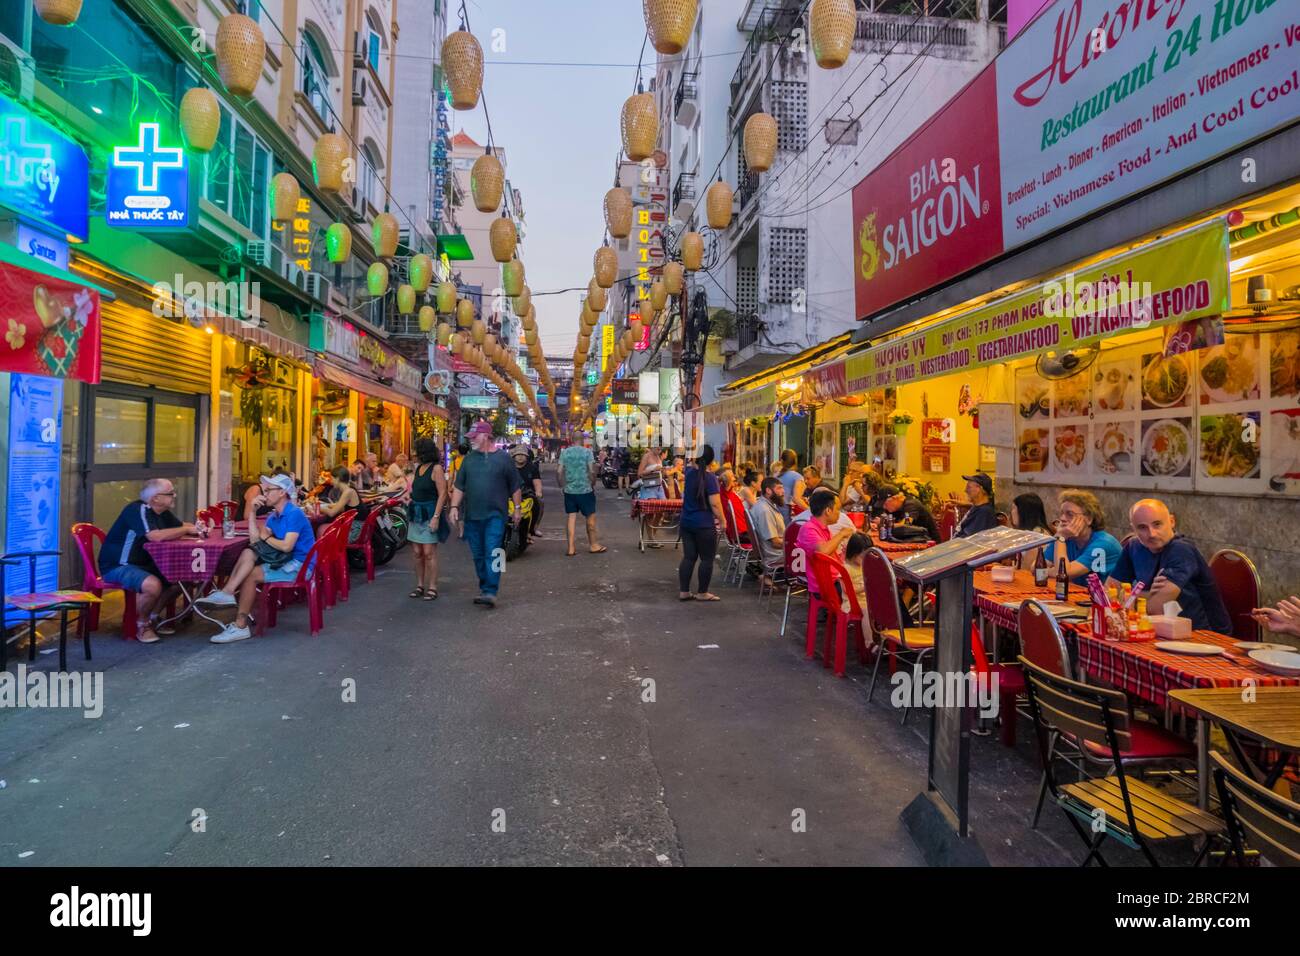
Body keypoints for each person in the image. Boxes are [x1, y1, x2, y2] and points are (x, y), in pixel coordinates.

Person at [200, 474, 316, 644]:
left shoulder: (294, 513)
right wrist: (253, 513)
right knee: (249, 552)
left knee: (251, 575)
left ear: (282, 492)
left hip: (300, 566)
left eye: (269, 490)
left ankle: (240, 625)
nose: (265, 494)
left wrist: (267, 537)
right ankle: (228, 593)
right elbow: (255, 540)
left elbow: (286, 546)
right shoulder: (275, 515)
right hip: (285, 559)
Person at [1107, 498, 1231, 633]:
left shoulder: (1181, 550)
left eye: (1157, 524)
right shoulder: (1134, 546)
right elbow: (1108, 593)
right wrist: (1148, 594)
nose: (1151, 533)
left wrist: (1131, 596)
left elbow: (1156, 610)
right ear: (1133, 529)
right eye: (1142, 527)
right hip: (1160, 631)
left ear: (1172, 521)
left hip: (1203, 636)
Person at [98, 479, 196, 644]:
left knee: (183, 578)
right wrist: (186, 530)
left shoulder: (162, 511)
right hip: (119, 565)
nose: (175, 496)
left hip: (145, 563)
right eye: (170, 493)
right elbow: (155, 536)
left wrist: (198, 528)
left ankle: (152, 616)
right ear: (156, 498)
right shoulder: (138, 509)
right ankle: (142, 625)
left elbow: (181, 525)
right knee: (153, 585)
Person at [449, 420, 522, 608]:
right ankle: (484, 586)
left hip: (496, 516)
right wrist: (454, 507)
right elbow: (459, 486)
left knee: (494, 551)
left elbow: (515, 487)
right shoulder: (469, 459)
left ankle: (492, 590)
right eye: (470, 437)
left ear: (486, 436)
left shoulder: (504, 459)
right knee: (478, 555)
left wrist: (517, 509)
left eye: (475, 437)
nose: (471, 440)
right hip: (473, 516)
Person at [678, 444, 726, 602]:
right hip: (704, 524)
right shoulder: (710, 478)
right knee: (707, 559)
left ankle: (684, 591)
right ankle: (702, 592)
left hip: (686, 522)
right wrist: (723, 520)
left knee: (689, 557)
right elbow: (715, 503)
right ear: (712, 460)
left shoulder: (689, 473)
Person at [406, 438, 450, 601]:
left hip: (430, 513)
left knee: (429, 552)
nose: (415, 454)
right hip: (416, 514)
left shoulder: (436, 468)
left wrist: (436, 517)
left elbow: (443, 493)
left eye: (417, 451)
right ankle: (419, 585)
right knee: (417, 552)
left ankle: (432, 587)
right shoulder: (418, 469)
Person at [1051, 488, 1122, 585]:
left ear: (1088, 519)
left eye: (1070, 514)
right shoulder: (1068, 538)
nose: (1062, 518)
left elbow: (1064, 573)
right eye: (1062, 513)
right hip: (1079, 596)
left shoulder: (1104, 543)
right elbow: (1036, 567)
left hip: (1106, 598)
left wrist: (1060, 537)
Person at [796, 489, 855, 602]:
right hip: (826, 586)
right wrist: (841, 534)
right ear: (828, 510)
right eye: (837, 509)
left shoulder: (821, 528)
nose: (839, 513)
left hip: (832, 579)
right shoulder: (808, 529)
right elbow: (823, 551)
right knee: (871, 587)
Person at [558, 435, 605, 557]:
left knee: (571, 518)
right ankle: (594, 545)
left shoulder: (565, 452)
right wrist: (593, 482)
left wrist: (561, 485)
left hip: (569, 491)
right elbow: (592, 471)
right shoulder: (587, 452)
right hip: (585, 490)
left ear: (572, 441)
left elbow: (559, 471)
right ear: (582, 441)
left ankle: (571, 548)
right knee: (590, 518)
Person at [749, 477, 788, 585]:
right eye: (779, 488)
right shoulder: (765, 510)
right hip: (775, 555)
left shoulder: (765, 504)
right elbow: (775, 543)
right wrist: (795, 544)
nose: (783, 491)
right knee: (811, 551)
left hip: (771, 552)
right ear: (768, 490)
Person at [511, 443, 545, 539]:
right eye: (518, 454)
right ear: (514, 456)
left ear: (527, 456)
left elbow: (537, 482)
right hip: (511, 494)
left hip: (528, 494)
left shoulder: (532, 467)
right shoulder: (509, 467)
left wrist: (538, 492)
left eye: (523, 455)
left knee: (540, 503)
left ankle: (533, 528)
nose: (520, 457)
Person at [1010, 492, 1051, 570]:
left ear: (1023, 511)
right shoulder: (1027, 533)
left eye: (1013, 508)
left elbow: (1027, 568)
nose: (1011, 512)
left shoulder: (1037, 535)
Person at [954, 473, 999, 538]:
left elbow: (969, 539)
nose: (965, 490)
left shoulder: (984, 512)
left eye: (969, 487)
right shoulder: (978, 507)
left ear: (979, 489)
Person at [777, 449, 805, 521]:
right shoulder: (797, 477)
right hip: (784, 508)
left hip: (773, 507)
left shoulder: (776, 475)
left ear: (782, 461)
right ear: (795, 461)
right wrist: (810, 510)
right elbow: (796, 499)